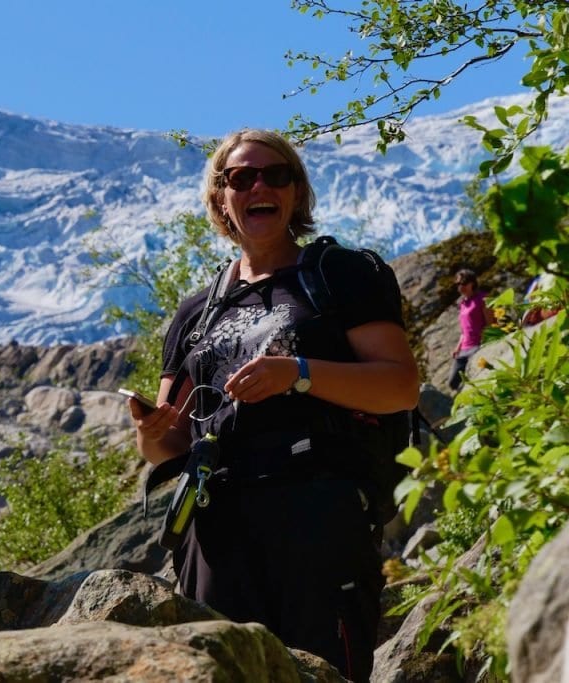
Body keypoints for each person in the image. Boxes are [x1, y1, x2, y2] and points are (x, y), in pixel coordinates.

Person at [125, 129, 419, 683]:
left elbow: (399, 385)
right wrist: (149, 430)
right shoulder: (197, 311)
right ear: (220, 199)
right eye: (241, 177)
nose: (259, 185)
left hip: (319, 514)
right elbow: (169, 444)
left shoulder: (339, 276)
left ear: (296, 192)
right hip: (216, 529)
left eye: (276, 174)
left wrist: (298, 375)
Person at [447, 268, 494, 391]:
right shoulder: (463, 303)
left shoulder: (483, 299)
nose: (459, 287)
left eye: (462, 283)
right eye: (457, 284)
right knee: (452, 382)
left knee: (476, 380)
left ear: (471, 283)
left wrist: (488, 342)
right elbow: (464, 330)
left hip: (478, 346)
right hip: (464, 349)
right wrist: (457, 348)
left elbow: (491, 323)